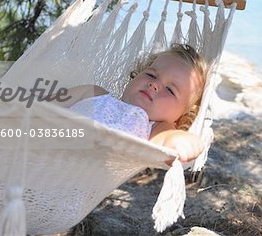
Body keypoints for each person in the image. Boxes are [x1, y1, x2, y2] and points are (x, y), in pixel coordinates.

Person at [61, 43, 207, 163]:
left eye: (170, 90)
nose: (154, 84)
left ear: (182, 115)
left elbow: (164, 142)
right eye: (151, 75)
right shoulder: (94, 93)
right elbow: (43, 106)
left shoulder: (156, 127)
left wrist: (177, 139)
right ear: (135, 76)